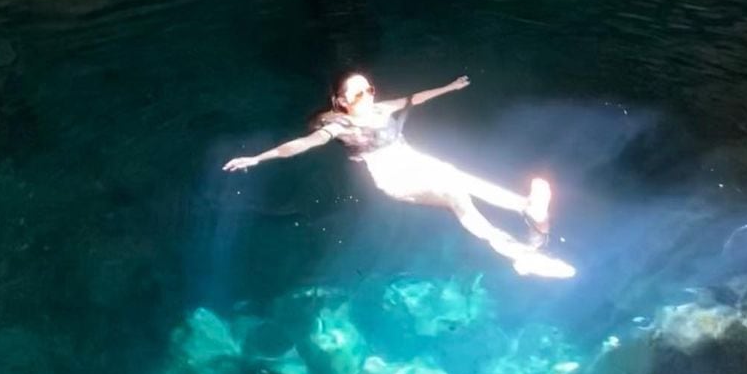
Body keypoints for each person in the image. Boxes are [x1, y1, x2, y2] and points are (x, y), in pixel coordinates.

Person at [223, 72, 576, 279]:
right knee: (457, 196)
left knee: (457, 175)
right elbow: (300, 145)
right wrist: (258, 157)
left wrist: (449, 87)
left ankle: (526, 209)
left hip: (414, 161)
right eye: (357, 93)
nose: (367, 95)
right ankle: (515, 252)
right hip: (393, 179)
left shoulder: (379, 109)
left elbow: (412, 99)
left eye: (369, 89)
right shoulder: (341, 127)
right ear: (341, 102)